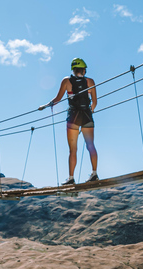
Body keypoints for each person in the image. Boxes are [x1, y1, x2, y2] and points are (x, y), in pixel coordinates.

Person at [39, 57, 98, 185]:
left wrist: (45, 106)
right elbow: (94, 102)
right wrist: (90, 111)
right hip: (86, 116)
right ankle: (94, 173)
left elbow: (57, 99)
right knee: (90, 146)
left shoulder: (66, 81)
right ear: (84, 69)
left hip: (73, 117)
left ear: (73, 69)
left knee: (72, 150)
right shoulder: (90, 81)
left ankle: (71, 178)